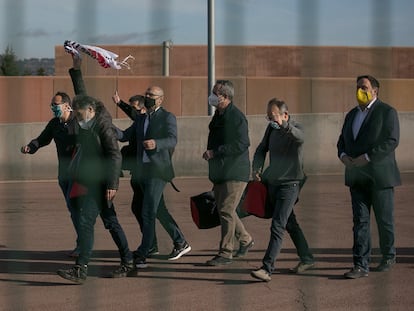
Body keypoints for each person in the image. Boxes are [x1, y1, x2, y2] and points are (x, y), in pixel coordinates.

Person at [56, 94, 134, 284]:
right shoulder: (88, 123)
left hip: (103, 183)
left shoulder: (103, 126)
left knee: (85, 221)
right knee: (111, 222)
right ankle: (128, 261)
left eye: (80, 114)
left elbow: (115, 156)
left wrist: (112, 184)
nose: (78, 118)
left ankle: (81, 269)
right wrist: (76, 69)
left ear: (91, 110)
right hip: (92, 181)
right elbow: (81, 90)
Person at [117, 85, 191, 268]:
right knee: (158, 210)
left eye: (151, 95)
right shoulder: (142, 118)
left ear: (160, 99)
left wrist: (156, 143)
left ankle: (144, 251)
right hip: (142, 171)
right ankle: (180, 242)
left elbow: (173, 139)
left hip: (157, 172)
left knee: (148, 211)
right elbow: (124, 135)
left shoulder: (167, 117)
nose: (147, 97)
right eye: (146, 94)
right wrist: (104, 124)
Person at [337, 75, 401, 279]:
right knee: (360, 222)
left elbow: (391, 140)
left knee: (384, 220)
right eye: (357, 87)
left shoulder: (387, 112)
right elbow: (341, 141)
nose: (359, 91)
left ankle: (388, 255)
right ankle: (360, 264)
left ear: (375, 90)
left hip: (380, 177)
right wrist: (343, 155)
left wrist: (367, 157)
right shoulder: (351, 115)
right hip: (357, 177)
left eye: (363, 87)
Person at [250, 98, 309, 282]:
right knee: (290, 223)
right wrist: (257, 167)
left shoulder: (296, 128)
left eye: (273, 116)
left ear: (285, 115)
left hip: (290, 184)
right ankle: (307, 258)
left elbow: (301, 138)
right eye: (268, 117)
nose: (271, 121)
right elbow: (261, 148)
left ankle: (267, 268)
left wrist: (284, 125)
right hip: (273, 183)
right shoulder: (271, 129)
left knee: (278, 225)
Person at [20, 91, 79, 257]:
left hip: (80, 175)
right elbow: (42, 139)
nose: (53, 108)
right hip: (64, 175)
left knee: (77, 209)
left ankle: (83, 244)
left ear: (67, 105)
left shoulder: (80, 122)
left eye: (56, 105)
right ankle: (83, 241)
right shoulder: (54, 124)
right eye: (52, 105)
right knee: (72, 209)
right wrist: (30, 147)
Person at [203, 80, 253, 266]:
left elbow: (242, 143)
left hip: (235, 171)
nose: (212, 96)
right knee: (226, 209)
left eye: (215, 93)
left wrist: (216, 152)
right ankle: (246, 240)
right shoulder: (219, 115)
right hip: (220, 171)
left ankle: (226, 252)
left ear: (225, 96)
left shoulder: (236, 117)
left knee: (226, 209)